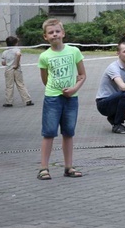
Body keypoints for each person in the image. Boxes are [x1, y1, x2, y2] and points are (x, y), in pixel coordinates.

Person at [36, 18, 87, 180]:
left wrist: (73, 89)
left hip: (71, 98)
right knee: (49, 132)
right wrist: (55, 90)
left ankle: (68, 166)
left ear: (63, 33)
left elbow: (82, 75)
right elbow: (45, 79)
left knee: (68, 132)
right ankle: (44, 167)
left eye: (57, 31)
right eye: (50, 32)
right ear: (45, 37)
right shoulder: (44, 56)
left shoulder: (74, 52)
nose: (54, 34)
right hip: (53, 98)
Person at [1, 35, 34, 107]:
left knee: (9, 86)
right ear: (15, 43)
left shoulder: (4, 52)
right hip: (17, 69)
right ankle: (27, 100)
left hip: (8, 70)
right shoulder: (17, 50)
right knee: (20, 84)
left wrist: (7, 62)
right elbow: (18, 55)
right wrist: (16, 64)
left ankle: (9, 102)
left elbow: (3, 63)